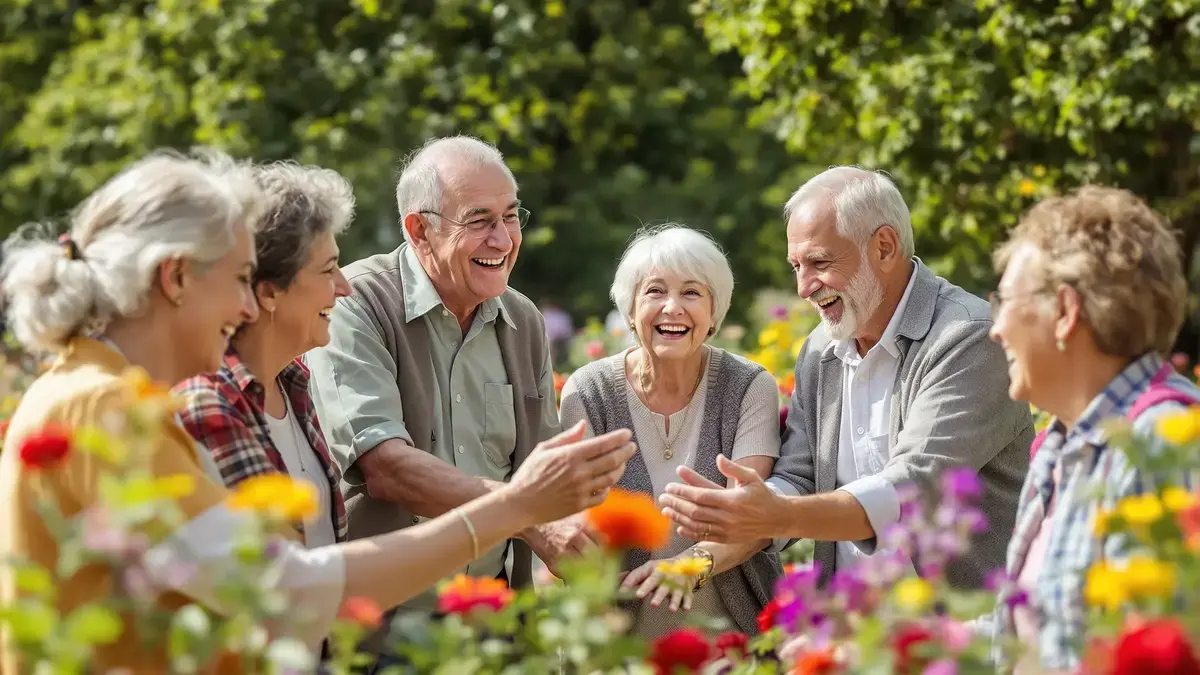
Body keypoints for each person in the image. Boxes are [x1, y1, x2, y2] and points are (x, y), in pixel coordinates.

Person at [0, 149, 636, 674]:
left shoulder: (105, 392)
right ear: (175, 279)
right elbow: (284, 593)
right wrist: (514, 507)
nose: (249, 308)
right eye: (239, 278)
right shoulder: (103, 405)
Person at [658, 166, 1033, 589]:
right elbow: (800, 476)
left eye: (819, 262)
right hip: (856, 632)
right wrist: (748, 511)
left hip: (959, 636)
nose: (803, 287)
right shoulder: (821, 351)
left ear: (885, 247)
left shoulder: (968, 337)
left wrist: (778, 514)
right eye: (796, 265)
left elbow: (914, 485)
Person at [304, 136, 590, 653]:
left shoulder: (522, 319)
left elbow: (541, 471)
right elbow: (386, 468)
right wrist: (524, 515)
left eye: (510, 216)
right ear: (420, 230)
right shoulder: (356, 302)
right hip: (380, 635)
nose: (503, 240)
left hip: (493, 632)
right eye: (479, 221)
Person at [984, 186, 1197, 674]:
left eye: (1005, 301)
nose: (995, 329)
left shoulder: (1159, 444)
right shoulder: (1062, 446)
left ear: (1065, 312)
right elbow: (1038, 636)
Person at [559, 225, 781, 638]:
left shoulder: (750, 386)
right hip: (618, 648)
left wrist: (688, 568)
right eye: (655, 291)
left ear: (714, 310)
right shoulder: (589, 392)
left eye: (692, 293)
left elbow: (753, 517)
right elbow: (575, 520)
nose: (672, 308)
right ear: (629, 309)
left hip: (731, 641)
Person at [175, 161, 356, 554]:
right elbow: (279, 572)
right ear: (268, 292)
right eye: (329, 270)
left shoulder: (294, 383)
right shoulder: (212, 402)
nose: (345, 287)